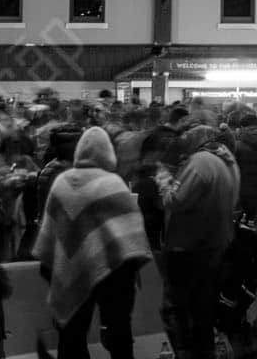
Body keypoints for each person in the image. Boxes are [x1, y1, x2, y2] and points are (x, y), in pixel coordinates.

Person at [34, 125, 152, 359]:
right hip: (115, 272)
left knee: (72, 332)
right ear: (109, 153)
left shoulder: (63, 183)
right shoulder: (113, 183)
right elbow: (131, 233)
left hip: (72, 267)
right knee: (119, 329)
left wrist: (52, 266)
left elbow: (51, 231)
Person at [160, 123, 241, 359]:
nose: (184, 142)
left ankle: (192, 352)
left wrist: (163, 180)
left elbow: (176, 200)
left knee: (186, 307)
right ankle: (204, 351)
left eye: (188, 137)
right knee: (203, 307)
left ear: (198, 140)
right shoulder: (227, 160)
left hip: (190, 246)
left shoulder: (200, 163)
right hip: (214, 243)